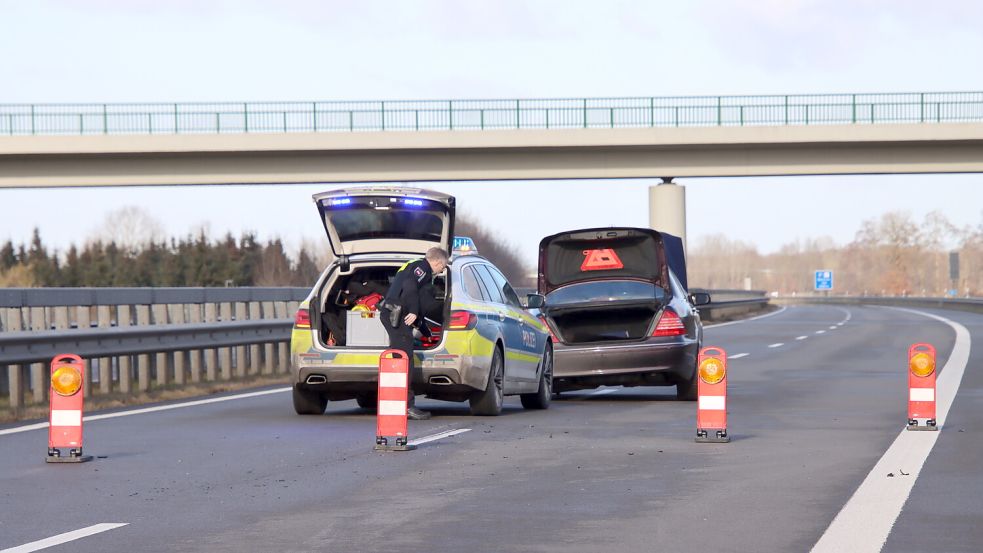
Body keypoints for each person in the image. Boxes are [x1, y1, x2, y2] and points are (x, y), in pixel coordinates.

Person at [378, 247, 450, 420]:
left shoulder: (415, 267)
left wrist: (424, 330)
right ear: (438, 262)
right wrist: (415, 311)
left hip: (396, 314)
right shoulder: (422, 268)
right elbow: (409, 285)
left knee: (401, 358)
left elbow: (412, 294)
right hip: (395, 313)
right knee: (404, 359)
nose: (442, 270)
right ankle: (406, 406)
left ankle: (396, 403)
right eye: (443, 266)